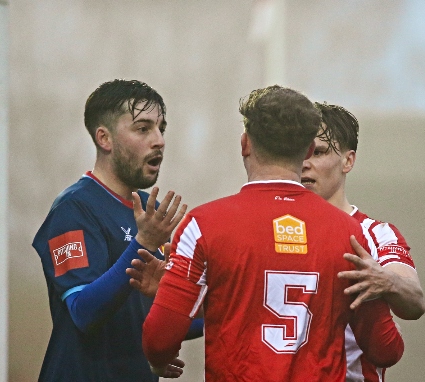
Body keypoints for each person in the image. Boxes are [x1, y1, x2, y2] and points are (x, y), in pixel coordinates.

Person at [141, 85, 404, 381]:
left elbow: (159, 339)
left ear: (245, 144)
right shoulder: (350, 233)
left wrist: (158, 360)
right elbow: (386, 349)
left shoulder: (203, 225)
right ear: (306, 151)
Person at [32, 79, 189, 381]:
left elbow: (156, 316)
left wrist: (220, 303)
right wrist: (143, 242)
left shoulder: (147, 211)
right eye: (143, 129)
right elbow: (83, 312)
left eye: (161, 128)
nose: (159, 140)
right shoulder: (74, 209)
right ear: (104, 138)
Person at [302, 102, 425, 381]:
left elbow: (416, 302)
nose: (305, 163)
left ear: (348, 161)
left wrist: (384, 281)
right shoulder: (271, 229)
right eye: (299, 153)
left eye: (318, 152)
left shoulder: (376, 233)